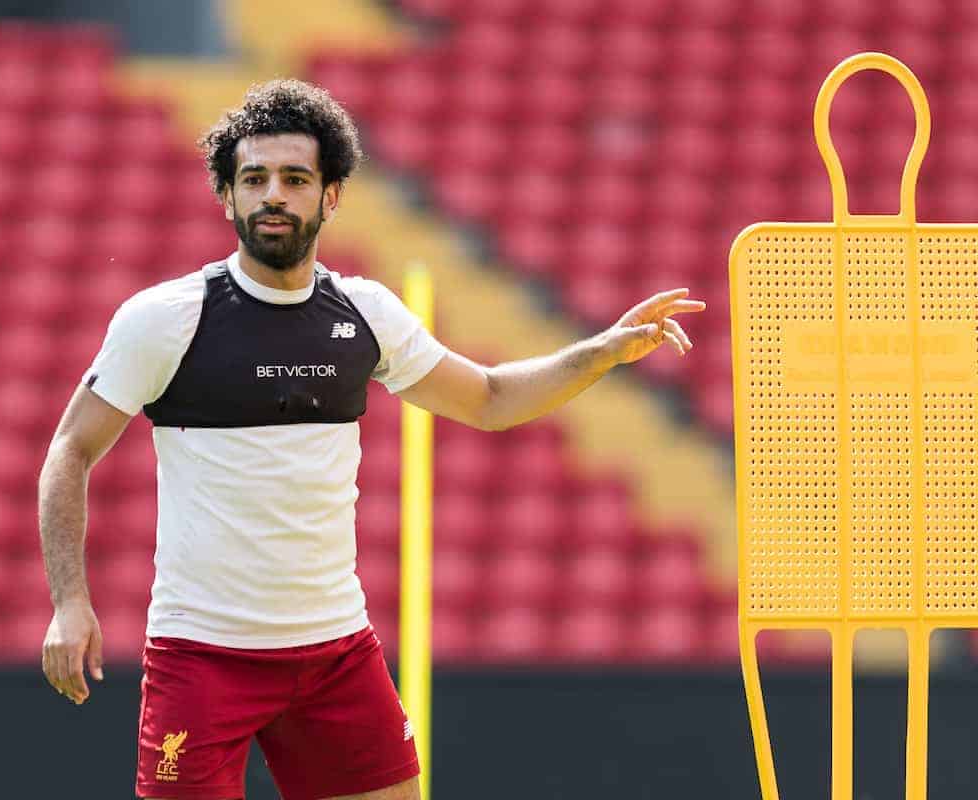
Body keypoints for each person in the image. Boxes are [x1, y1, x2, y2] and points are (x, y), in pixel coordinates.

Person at [38, 78, 704, 800]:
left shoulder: (365, 313)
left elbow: (489, 399)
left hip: (334, 655)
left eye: (295, 179)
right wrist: (70, 601)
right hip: (203, 657)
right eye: (253, 178)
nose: (273, 196)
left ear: (330, 197)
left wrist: (600, 351)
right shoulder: (165, 319)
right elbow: (70, 450)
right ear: (226, 195)